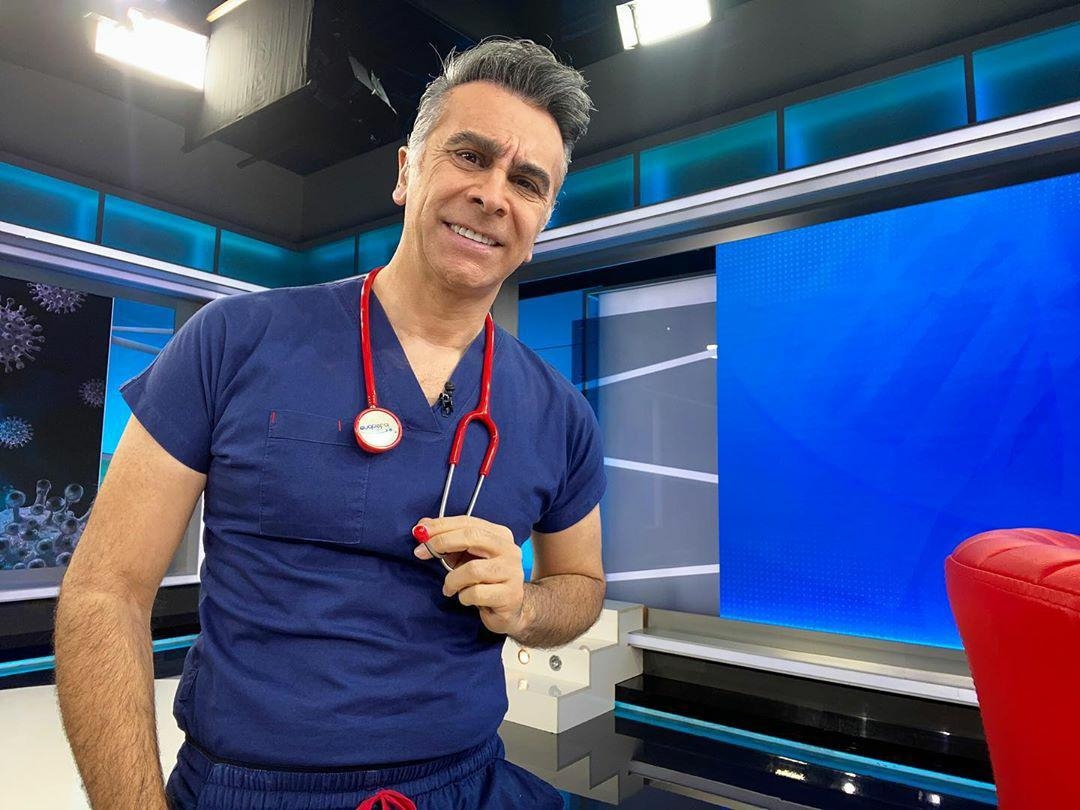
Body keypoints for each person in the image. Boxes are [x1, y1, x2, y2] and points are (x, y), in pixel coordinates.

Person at [54, 39, 606, 810]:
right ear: (407, 171)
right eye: (470, 156)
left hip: (470, 782)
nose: (492, 194)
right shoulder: (232, 343)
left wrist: (525, 607)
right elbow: (104, 592)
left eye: (526, 181)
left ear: (542, 217)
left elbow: (579, 585)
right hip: (253, 790)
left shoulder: (560, 414)